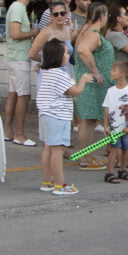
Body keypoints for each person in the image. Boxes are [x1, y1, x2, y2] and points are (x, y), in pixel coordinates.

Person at [37, 39, 93, 195]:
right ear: (58, 56)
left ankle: (47, 181)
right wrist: (83, 81)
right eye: (66, 53)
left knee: (48, 148)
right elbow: (75, 92)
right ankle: (60, 185)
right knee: (58, 149)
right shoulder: (60, 74)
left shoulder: (47, 73)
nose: (68, 56)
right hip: (57, 116)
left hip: (45, 114)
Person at [73, 2, 114, 170]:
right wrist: (96, 71)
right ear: (102, 16)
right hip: (91, 83)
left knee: (88, 120)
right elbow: (83, 50)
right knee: (88, 120)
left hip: (90, 82)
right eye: (107, 16)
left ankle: (87, 155)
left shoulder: (87, 30)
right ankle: (85, 158)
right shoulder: (93, 33)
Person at [3, 0, 41, 146]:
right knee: (24, 96)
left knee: (13, 95)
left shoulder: (16, 8)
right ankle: (19, 134)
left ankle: (7, 131)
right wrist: (32, 32)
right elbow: (16, 34)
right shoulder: (18, 8)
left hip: (13, 58)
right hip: (19, 59)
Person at [102, 61, 128, 183]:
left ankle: (122, 170)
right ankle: (109, 172)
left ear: (123, 74)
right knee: (114, 149)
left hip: (127, 127)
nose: (111, 72)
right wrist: (105, 125)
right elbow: (107, 108)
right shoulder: (110, 91)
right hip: (114, 127)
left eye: (114, 70)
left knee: (125, 149)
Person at [28, 0, 74, 85]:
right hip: (50, 78)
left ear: (66, 14)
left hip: (67, 74)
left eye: (62, 13)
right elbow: (32, 54)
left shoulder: (69, 30)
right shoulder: (46, 32)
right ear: (51, 16)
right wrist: (46, 61)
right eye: (56, 14)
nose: (59, 16)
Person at [105, 5, 128, 86]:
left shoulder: (112, 32)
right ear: (118, 18)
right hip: (123, 78)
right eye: (126, 14)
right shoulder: (116, 36)